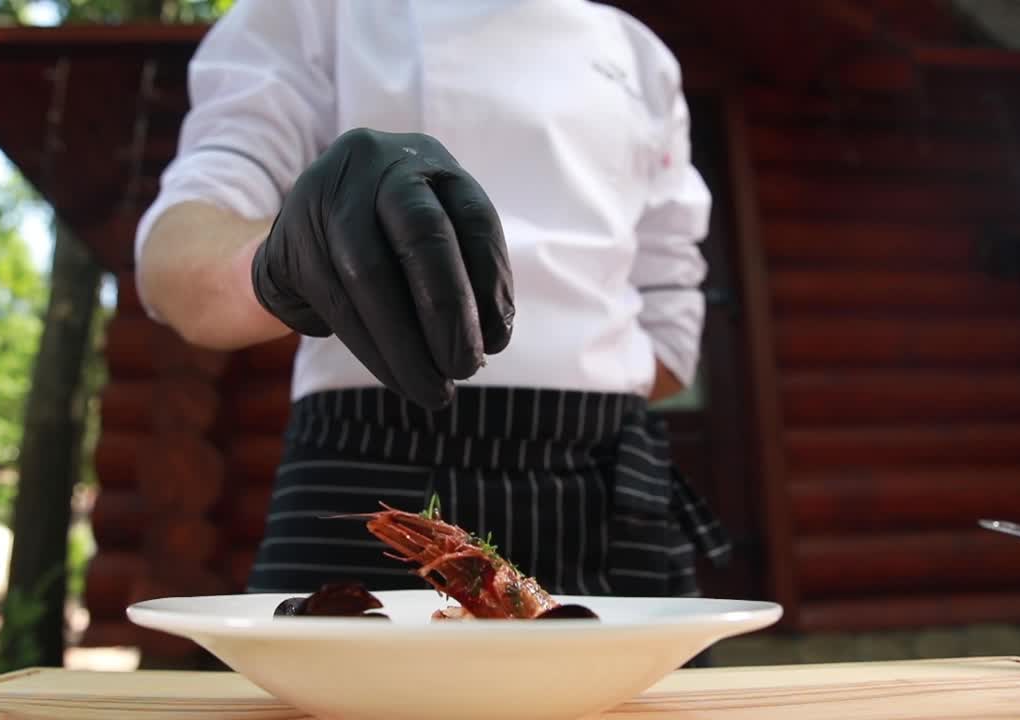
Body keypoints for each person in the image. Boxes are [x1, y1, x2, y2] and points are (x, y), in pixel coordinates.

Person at [135, 0, 730, 601]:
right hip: (370, 465)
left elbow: (671, 312)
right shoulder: (312, 14)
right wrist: (272, 265)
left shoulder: (639, 53)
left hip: (609, 486)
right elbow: (174, 254)